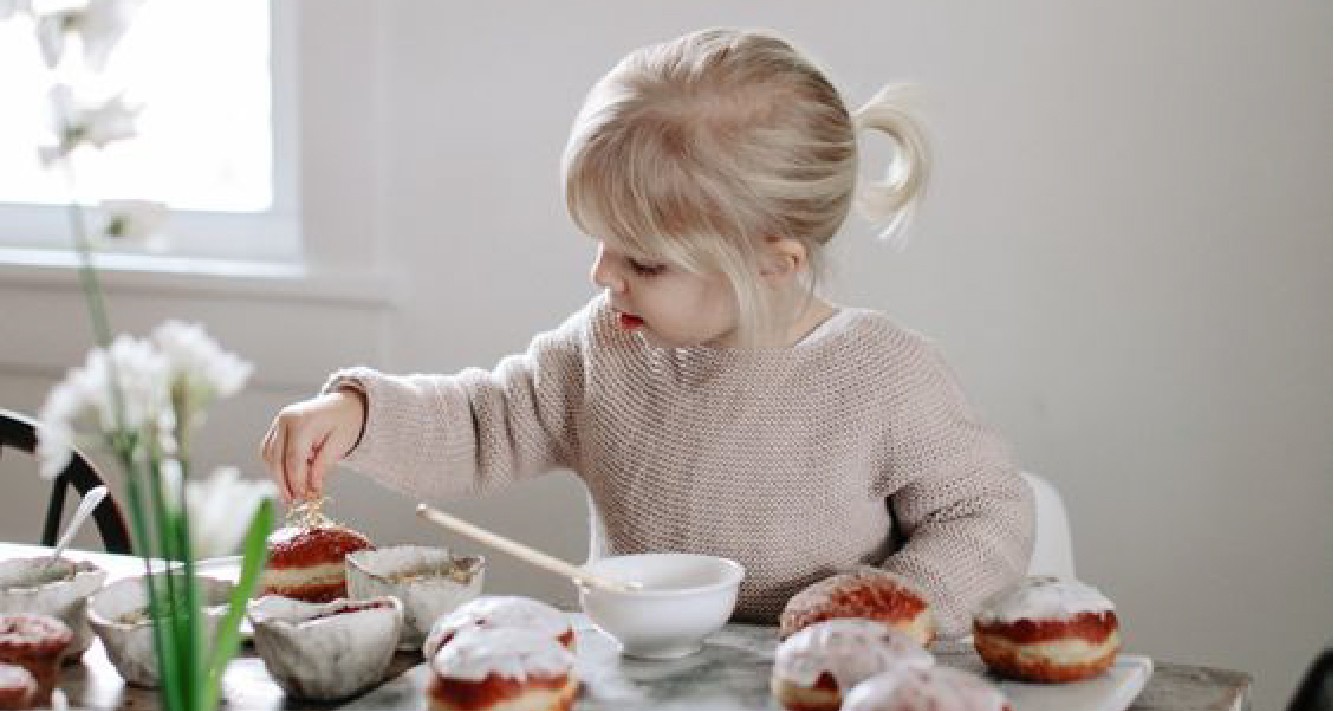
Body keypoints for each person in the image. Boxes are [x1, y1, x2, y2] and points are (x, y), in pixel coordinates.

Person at [260, 28, 1034, 635]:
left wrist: (898, 604)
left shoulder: (883, 376)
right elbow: (483, 422)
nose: (603, 275)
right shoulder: (609, 346)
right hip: (638, 704)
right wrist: (361, 414)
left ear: (772, 263)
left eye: (644, 262)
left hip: (826, 703)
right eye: (599, 243)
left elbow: (986, 516)